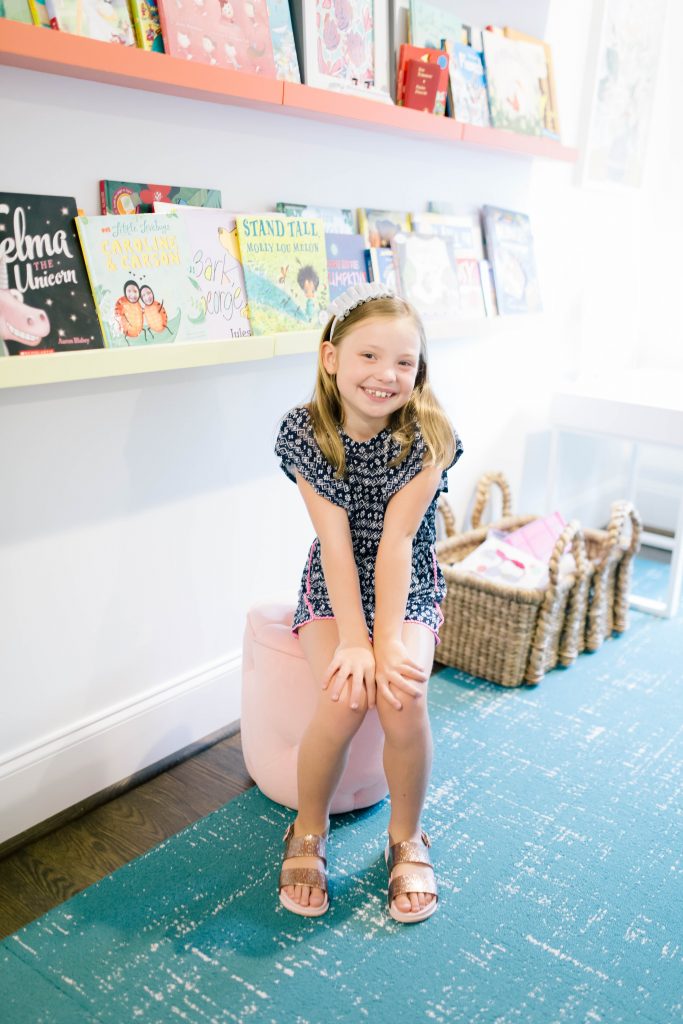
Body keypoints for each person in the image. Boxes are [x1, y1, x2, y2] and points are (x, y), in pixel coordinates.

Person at [274, 282, 463, 924]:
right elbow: (334, 541)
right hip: (332, 582)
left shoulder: (428, 435)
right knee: (344, 694)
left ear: (420, 370)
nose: (386, 376)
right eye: (368, 357)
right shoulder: (307, 431)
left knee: (401, 695)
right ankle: (308, 828)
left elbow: (398, 543)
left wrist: (384, 645)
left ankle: (406, 837)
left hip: (406, 581)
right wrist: (354, 642)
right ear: (331, 358)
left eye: (404, 362)